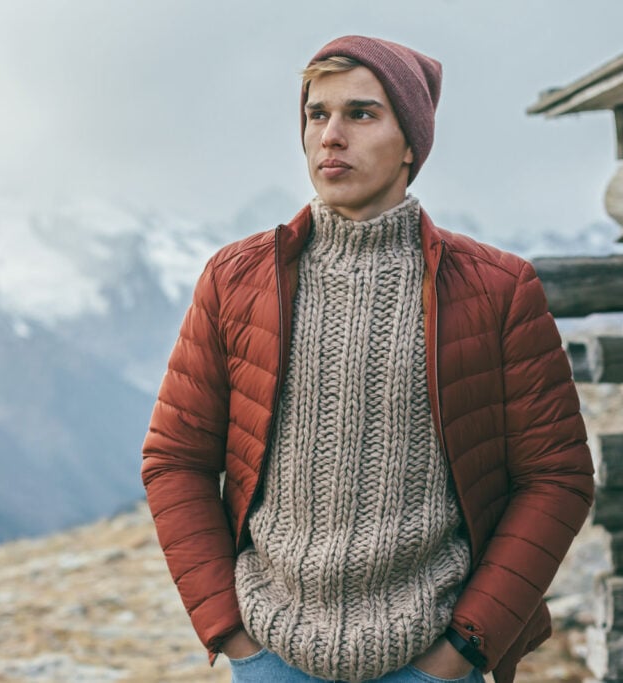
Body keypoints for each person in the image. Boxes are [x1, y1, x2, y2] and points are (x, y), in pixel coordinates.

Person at [141, 35, 594, 683]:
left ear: (412, 142)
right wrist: (231, 632)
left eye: (360, 114)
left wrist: (462, 648)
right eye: (316, 114)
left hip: (429, 654)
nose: (330, 134)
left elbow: (556, 477)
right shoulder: (237, 279)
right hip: (273, 655)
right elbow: (175, 458)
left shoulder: (496, 288)